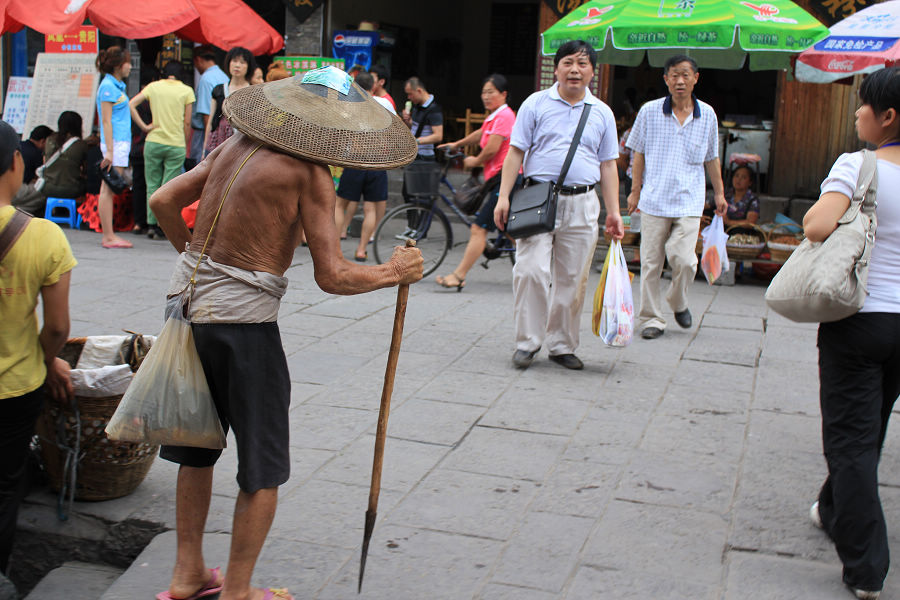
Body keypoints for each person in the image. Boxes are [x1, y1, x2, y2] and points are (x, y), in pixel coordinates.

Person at [147, 68, 422, 600]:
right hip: (243, 330)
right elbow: (334, 274)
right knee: (263, 465)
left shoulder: (233, 145)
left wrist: (196, 261)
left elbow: (161, 201)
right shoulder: (310, 173)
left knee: (196, 449)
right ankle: (239, 591)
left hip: (187, 315)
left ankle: (187, 573)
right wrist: (395, 272)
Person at [804, 66, 900, 600]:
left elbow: (816, 226)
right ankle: (833, 507)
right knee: (871, 427)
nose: (858, 113)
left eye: (864, 106)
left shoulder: (859, 165)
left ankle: (866, 567)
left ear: (888, 117)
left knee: (849, 440)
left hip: (860, 319)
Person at [494, 40, 624, 371]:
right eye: (568, 63)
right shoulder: (536, 104)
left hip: (583, 203)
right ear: (557, 68)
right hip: (537, 199)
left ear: (593, 71)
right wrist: (503, 196)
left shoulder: (602, 113)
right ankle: (527, 342)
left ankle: (562, 345)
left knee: (573, 278)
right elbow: (516, 152)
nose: (574, 70)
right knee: (530, 269)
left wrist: (614, 211)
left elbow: (608, 165)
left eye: (582, 64)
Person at [0, 119, 76, 583]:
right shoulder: (43, 236)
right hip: (15, 386)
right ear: (14, 163)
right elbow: (58, 328)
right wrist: (49, 361)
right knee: (6, 486)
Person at [626, 55, 726, 340]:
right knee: (650, 263)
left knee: (684, 260)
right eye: (673, 75)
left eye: (685, 75)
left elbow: (712, 157)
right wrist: (635, 190)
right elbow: (638, 153)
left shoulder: (707, 114)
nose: (679, 81)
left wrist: (719, 193)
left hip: (689, 200)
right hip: (654, 199)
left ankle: (677, 300)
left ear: (696, 78)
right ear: (666, 79)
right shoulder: (649, 111)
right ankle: (652, 318)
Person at [434, 73, 516, 290]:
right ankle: (539, 268)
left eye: (491, 92)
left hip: (504, 180)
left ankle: (459, 275)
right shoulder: (494, 116)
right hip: (497, 180)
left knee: (479, 228)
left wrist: (475, 161)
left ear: (504, 94)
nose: (486, 96)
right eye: (484, 92)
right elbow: (481, 134)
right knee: (510, 231)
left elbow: (492, 148)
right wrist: (457, 144)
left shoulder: (506, 116)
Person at [129, 60, 195, 240]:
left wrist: (145, 126)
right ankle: (161, 225)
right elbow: (187, 122)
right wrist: (185, 140)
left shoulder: (154, 87)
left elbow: (131, 104)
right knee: (169, 187)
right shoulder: (186, 91)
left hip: (153, 141)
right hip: (175, 143)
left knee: (152, 184)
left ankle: (150, 224)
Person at [334, 71, 395, 262]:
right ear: (373, 86)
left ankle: (335, 249)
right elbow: (395, 127)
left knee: (340, 204)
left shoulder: (349, 103)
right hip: (377, 162)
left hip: (355, 159)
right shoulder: (384, 103)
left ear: (355, 86)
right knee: (370, 209)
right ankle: (361, 249)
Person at [96, 45, 134, 249]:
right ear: (120, 65)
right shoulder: (108, 87)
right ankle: (108, 236)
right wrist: (109, 151)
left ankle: (109, 235)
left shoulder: (116, 85)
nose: (130, 66)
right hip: (115, 143)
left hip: (119, 142)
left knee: (109, 188)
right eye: (128, 62)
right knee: (108, 189)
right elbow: (106, 121)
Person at [204, 47, 256, 155]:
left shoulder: (253, 92)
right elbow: (210, 121)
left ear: (248, 66)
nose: (237, 65)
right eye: (234, 61)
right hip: (218, 140)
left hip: (243, 142)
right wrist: (204, 149)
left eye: (242, 62)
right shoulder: (218, 90)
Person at [189, 45, 228, 169]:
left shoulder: (206, 79)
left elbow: (207, 115)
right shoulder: (224, 76)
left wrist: (206, 145)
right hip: (222, 133)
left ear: (198, 60)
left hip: (205, 134)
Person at [37, 111, 89, 202]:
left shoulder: (49, 139)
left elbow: (44, 160)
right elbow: (85, 169)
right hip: (71, 190)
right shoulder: (82, 145)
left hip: (47, 188)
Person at [401, 77, 443, 159]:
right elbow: (414, 127)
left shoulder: (434, 109)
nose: (408, 97)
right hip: (413, 154)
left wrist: (416, 141)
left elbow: (438, 136)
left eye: (410, 94)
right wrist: (407, 120)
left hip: (424, 156)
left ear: (419, 91)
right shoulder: (417, 105)